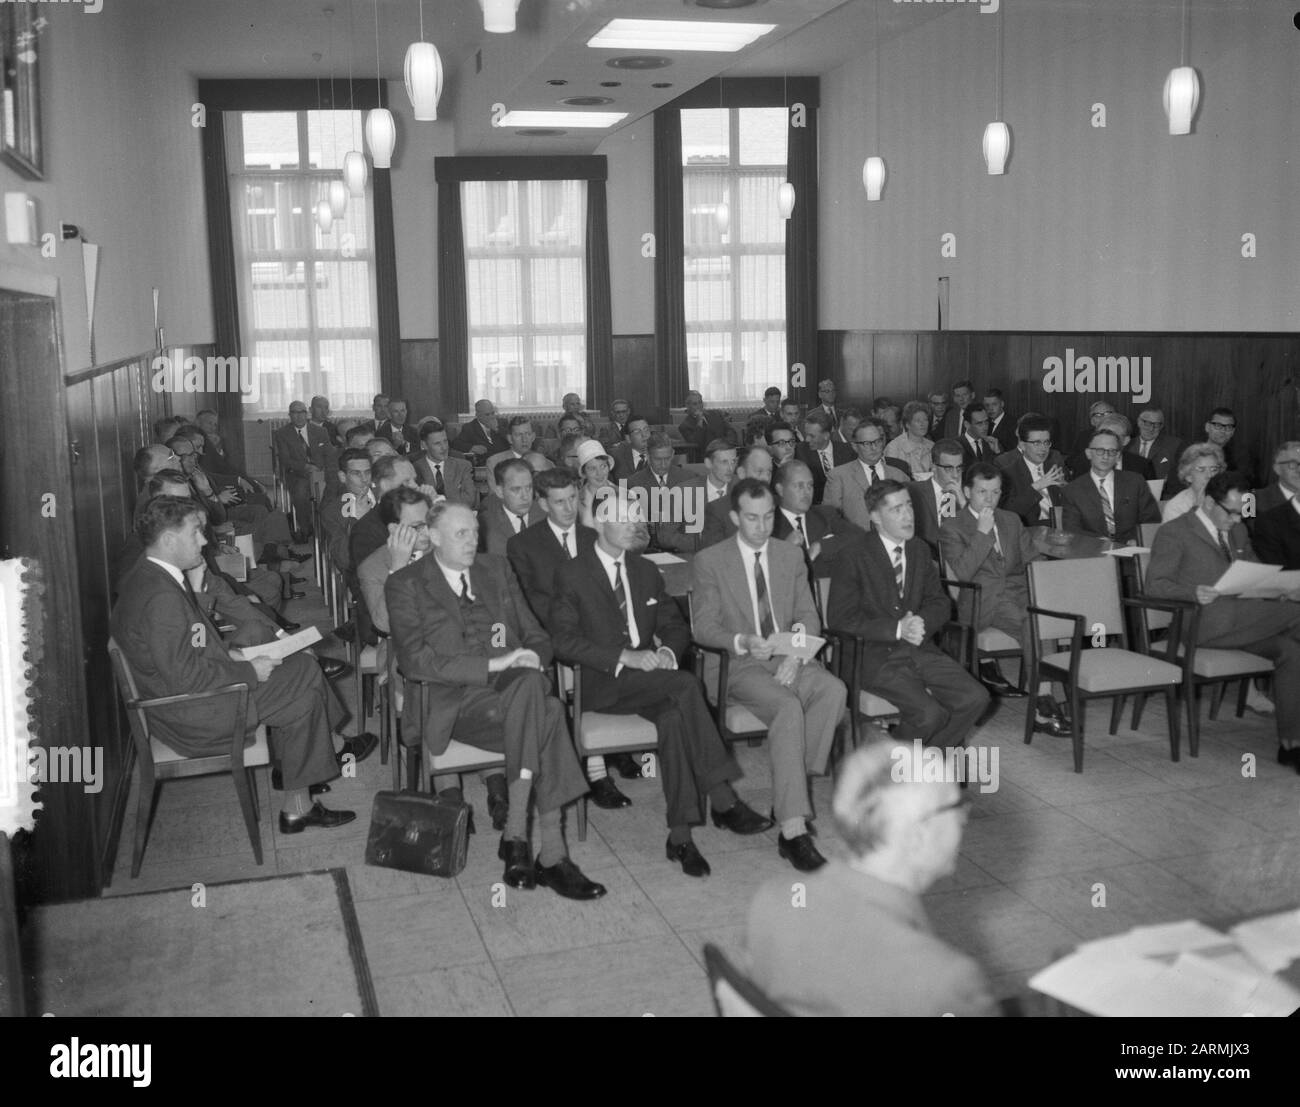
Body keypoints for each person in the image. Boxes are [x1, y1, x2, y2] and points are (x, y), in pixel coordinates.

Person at [385, 502, 606, 898]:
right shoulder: (406, 583)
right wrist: (498, 663)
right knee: (550, 710)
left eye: (475, 532)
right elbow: (415, 662)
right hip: (455, 702)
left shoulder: (496, 569)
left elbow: (536, 633)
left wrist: (532, 657)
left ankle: (522, 838)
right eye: (461, 534)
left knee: (532, 692)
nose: (473, 541)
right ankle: (547, 852)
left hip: (514, 691)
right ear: (433, 538)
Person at [550, 490, 773, 877]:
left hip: (652, 680)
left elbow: (673, 625)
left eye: (636, 518)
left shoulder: (645, 571)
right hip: (603, 682)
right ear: (600, 523)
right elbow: (563, 641)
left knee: (674, 718)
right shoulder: (572, 573)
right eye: (623, 518)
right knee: (687, 686)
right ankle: (722, 798)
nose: (634, 525)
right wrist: (625, 657)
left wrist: (669, 651)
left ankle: (680, 835)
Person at [111, 496, 365, 833]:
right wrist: (249, 669)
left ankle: (298, 806)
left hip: (184, 701)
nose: (204, 541)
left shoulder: (149, 575)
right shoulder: (161, 597)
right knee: (305, 672)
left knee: (303, 693)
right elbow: (185, 677)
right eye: (196, 534)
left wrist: (204, 600)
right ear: (169, 541)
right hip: (191, 714)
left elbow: (187, 647)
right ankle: (322, 756)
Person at [746, 742, 999, 1017]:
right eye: (958, 809)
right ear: (918, 836)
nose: (963, 822)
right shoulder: (944, 979)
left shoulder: (771, 900)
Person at [691, 479, 846, 872]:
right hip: (738, 663)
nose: (761, 526)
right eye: (752, 518)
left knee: (833, 690)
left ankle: (786, 792)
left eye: (768, 517)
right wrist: (742, 640)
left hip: (785, 655)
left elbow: (808, 616)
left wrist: (796, 651)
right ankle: (792, 830)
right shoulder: (711, 559)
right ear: (734, 517)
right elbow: (703, 628)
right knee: (787, 707)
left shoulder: (789, 556)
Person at [1146, 473, 1299, 767]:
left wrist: (1279, 588)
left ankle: (1291, 745)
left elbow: (1256, 572)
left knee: (1292, 652)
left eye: (1242, 512)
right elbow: (1154, 584)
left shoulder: (1238, 532)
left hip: (1246, 618)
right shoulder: (1175, 532)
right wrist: (1192, 592)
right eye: (1231, 512)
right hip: (1203, 622)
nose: (1237, 520)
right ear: (1207, 501)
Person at [507, 468, 639, 807]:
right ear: (542, 503)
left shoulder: (592, 536)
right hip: (554, 632)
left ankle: (612, 746)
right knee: (590, 659)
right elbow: (527, 599)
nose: (567, 508)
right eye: (558, 502)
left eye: (572, 500)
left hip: (600, 629)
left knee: (631, 646)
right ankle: (596, 772)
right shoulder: (523, 543)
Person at [828, 480, 990, 749]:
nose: (908, 515)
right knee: (928, 714)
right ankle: (895, 770)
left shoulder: (918, 549)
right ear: (876, 517)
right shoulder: (853, 556)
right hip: (872, 655)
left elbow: (939, 602)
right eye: (896, 510)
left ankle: (919, 761)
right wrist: (896, 629)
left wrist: (919, 623)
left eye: (909, 506)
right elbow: (840, 620)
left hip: (918, 647)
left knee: (976, 698)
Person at [938, 464, 1074, 734]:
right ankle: (1043, 703)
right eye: (982, 492)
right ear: (967, 491)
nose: (989, 499)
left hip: (1019, 594)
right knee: (1033, 622)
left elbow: (1031, 560)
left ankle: (1045, 700)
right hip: (983, 599)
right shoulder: (952, 527)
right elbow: (963, 572)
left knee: (1045, 617)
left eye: (995, 492)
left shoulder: (1011, 519)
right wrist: (983, 533)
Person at [1061, 428, 1161, 543]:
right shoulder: (1073, 490)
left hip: (1131, 550)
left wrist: (1137, 539)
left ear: (1118, 455)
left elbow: (1151, 520)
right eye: (1100, 450)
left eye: (1112, 451)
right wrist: (1098, 541)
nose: (1106, 456)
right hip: (1093, 553)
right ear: (1088, 453)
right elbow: (1072, 530)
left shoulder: (1135, 482)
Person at [824, 417, 910, 531]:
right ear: (855, 446)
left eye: (877, 441)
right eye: (867, 443)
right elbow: (830, 519)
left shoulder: (900, 476)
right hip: (856, 544)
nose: (874, 447)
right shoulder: (838, 476)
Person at [273, 401, 334, 539]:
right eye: (295, 413)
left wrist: (322, 469)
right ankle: (306, 527)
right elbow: (285, 459)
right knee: (301, 493)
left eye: (302, 412)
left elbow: (329, 453)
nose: (299, 416)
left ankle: (326, 526)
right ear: (289, 415)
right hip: (297, 473)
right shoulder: (282, 433)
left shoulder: (320, 431)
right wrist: (306, 467)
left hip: (320, 471)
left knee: (331, 490)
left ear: (307, 414)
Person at [999, 415, 1067, 528]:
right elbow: (1009, 513)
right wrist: (1037, 486)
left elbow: (1070, 505)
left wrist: (1065, 488)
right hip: (1028, 531)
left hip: (1059, 529)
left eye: (1046, 442)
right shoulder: (1007, 473)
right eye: (1036, 443)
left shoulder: (1054, 467)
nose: (1043, 448)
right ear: (1022, 445)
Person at [700, 444, 773, 548]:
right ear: (742, 473)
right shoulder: (718, 510)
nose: (766, 478)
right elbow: (711, 558)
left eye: (769, 472)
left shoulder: (778, 505)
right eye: (759, 471)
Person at [908, 439, 967, 559]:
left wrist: (961, 499)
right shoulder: (912, 492)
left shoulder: (967, 495)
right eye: (949, 468)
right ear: (934, 467)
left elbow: (980, 535)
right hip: (925, 563)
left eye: (959, 468)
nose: (955, 475)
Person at [1248, 442, 1300, 568]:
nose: (1299, 470)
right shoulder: (1251, 499)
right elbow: (1247, 541)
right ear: (1277, 468)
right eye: (1293, 464)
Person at [478, 457, 543, 555]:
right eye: (516, 490)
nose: (525, 496)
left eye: (529, 487)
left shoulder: (546, 515)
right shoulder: (485, 524)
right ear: (500, 492)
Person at [413, 418, 477, 508]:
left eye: (445, 441)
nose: (444, 448)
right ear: (424, 445)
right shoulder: (415, 469)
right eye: (437, 443)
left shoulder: (463, 466)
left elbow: (470, 500)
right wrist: (455, 497)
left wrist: (439, 499)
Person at [795, 409, 853, 505]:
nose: (807, 439)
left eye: (812, 436)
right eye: (806, 434)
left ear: (826, 435)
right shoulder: (800, 451)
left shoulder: (847, 451)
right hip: (816, 508)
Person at [1161, 443, 1224, 523]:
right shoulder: (1176, 507)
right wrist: (1198, 510)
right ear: (1188, 476)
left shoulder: (1228, 498)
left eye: (1214, 469)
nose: (1209, 475)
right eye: (1201, 469)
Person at [485, 416, 537, 496]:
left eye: (528, 434)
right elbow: (494, 497)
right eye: (518, 435)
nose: (524, 439)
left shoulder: (543, 462)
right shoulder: (494, 462)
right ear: (510, 439)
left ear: (533, 437)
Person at [885, 400, 936, 479]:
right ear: (907, 424)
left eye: (925, 420)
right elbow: (891, 476)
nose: (923, 424)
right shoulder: (894, 447)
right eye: (918, 421)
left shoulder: (932, 446)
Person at [1128, 406, 1181, 482]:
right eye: (1146, 423)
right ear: (1139, 422)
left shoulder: (1174, 445)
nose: (1151, 429)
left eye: (1156, 425)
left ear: (1162, 426)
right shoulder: (1127, 445)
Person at [609, 413, 652, 481]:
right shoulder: (616, 456)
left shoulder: (661, 454)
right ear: (628, 438)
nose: (644, 435)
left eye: (646, 430)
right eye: (637, 432)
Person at [958, 402, 998, 468]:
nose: (985, 427)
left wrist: (997, 452)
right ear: (967, 424)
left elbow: (1001, 471)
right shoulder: (957, 445)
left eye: (986, 422)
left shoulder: (992, 443)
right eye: (979, 424)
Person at [982, 388, 1017, 453]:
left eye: (994, 404)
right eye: (987, 405)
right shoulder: (984, 422)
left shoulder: (1013, 424)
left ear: (1002, 404)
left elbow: (1014, 452)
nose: (990, 408)